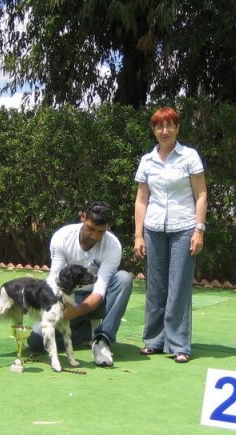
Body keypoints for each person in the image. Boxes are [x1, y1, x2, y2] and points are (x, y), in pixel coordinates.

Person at [133, 107, 207, 363]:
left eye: (169, 126)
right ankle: (153, 340)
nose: (164, 131)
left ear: (178, 128)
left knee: (178, 288)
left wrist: (199, 229)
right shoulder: (147, 161)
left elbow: (201, 195)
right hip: (153, 229)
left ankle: (178, 344)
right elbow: (141, 199)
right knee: (155, 287)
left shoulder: (189, 157)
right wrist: (138, 235)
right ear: (153, 130)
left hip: (184, 228)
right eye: (159, 127)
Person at [27, 201, 133, 367]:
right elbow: (54, 281)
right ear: (83, 218)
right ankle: (86, 331)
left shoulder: (113, 246)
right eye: (91, 228)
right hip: (66, 298)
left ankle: (102, 340)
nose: (95, 236)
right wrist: (62, 309)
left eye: (101, 231)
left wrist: (76, 311)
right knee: (36, 343)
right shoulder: (62, 237)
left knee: (124, 279)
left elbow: (100, 290)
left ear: (108, 227)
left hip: (97, 301)